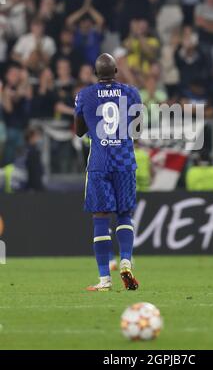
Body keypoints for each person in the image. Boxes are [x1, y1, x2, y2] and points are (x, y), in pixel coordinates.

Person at [74, 53, 142, 292]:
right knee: (125, 214)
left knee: (100, 218)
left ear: (95, 73)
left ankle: (105, 279)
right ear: (116, 72)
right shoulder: (131, 92)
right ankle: (125, 260)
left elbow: (79, 131)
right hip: (124, 161)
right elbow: (138, 128)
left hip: (100, 162)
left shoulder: (85, 95)